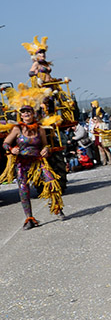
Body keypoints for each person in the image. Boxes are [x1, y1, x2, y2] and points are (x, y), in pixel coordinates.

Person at [1, 85, 65, 228]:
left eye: (28, 112)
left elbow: (45, 145)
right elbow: (5, 144)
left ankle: (58, 208)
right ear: (20, 115)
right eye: (23, 112)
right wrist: (12, 149)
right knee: (23, 190)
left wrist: (46, 150)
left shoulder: (40, 129)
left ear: (32, 113)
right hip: (22, 163)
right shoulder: (17, 129)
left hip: (38, 161)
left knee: (51, 181)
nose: (26, 114)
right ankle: (29, 218)